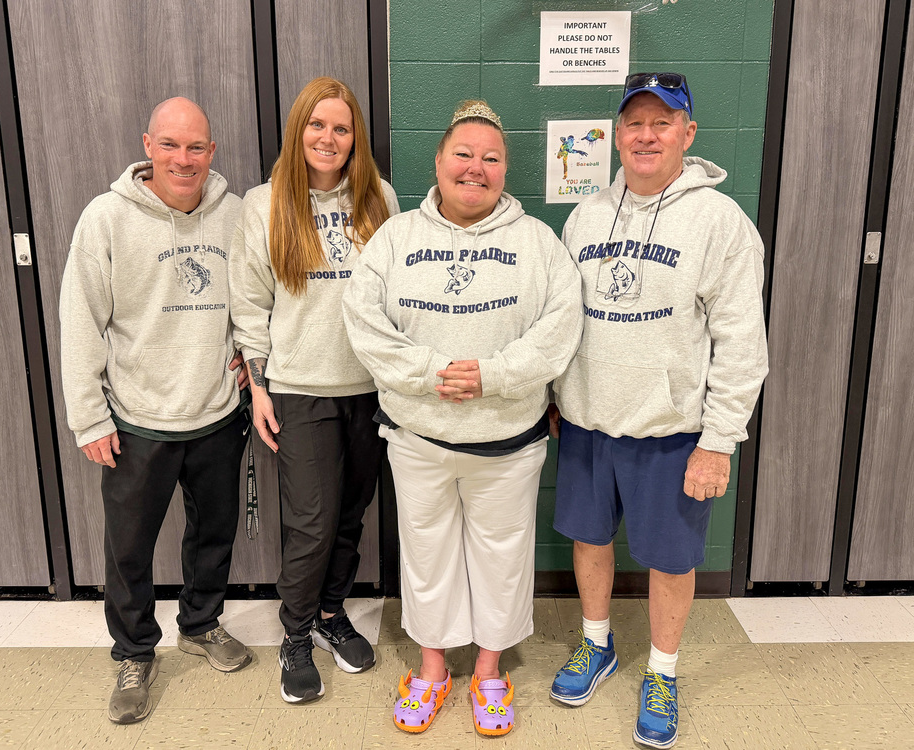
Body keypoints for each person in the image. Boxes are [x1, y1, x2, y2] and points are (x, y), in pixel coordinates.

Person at [342, 100, 583, 737]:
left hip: (507, 441)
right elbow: (365, 325)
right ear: (440, 161)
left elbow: (560, 329)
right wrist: (431, 372)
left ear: (506, 170)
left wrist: (494, 375)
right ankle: (431, 669)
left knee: (503, 554)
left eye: (491, 158)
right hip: (417, 436)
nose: (476, 168)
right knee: (426, 552)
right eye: (464, 155)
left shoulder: (538, 244)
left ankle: (489, 671)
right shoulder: (395, 239)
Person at [549, 73, 768, 749]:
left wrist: (719, 440)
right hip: (587, 421)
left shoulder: (720, 221)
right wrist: (556, 394)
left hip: (674, 430)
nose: (646, 135)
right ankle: (597, 643)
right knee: (589, 540)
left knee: (671, 560)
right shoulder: (584, 217)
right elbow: (561, 319)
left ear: (688, 134)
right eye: (634, 123)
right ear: (617, 134)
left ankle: (664, 672)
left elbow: (740, 342)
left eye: (662, 123)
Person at [60, 97, 251, 725]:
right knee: (129, 547)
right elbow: (81, 321)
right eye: (170, 145)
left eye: (196, 147)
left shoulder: (236, 215)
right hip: (136, 418)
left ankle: (201, 622)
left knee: (213, 534)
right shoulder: (106, 219)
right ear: (148, 145)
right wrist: (89, 417)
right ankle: (134, 650)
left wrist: (246, 365)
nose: (183, 159)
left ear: (212, 151)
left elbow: (252, 300)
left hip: (218, 412)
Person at [228, 77, 400, 704]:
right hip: (299, 388)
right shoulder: (264, 202)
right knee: (311, 522)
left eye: (342, 127)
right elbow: (249, 301)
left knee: (351, 514)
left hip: (370, 388)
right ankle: (295, 636)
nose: (329, 138)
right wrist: (259, 385)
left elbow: (395, 293)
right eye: (317, 125)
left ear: (355, 138)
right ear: (299, 130)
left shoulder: (379, 197)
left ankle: (331, 616)